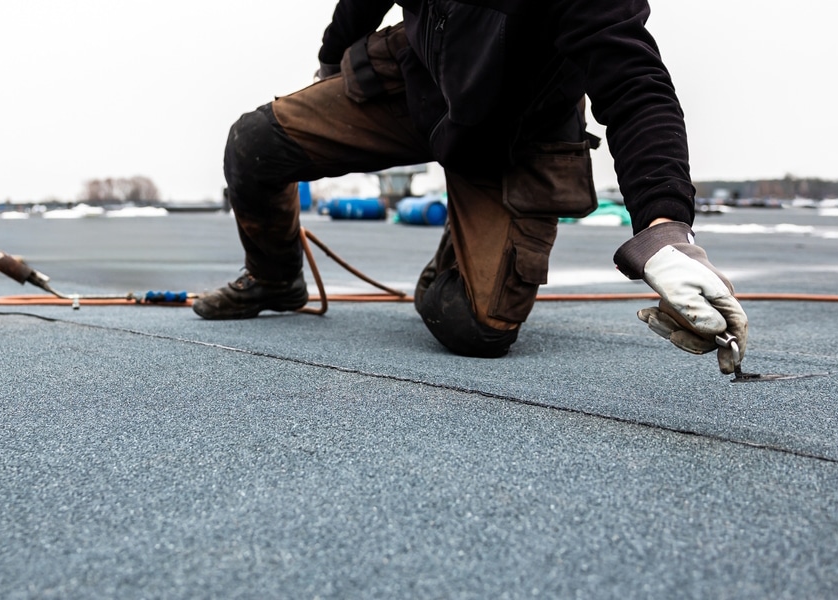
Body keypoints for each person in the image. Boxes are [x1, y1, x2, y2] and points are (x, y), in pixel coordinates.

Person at [193, 0, 749, 373]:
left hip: (514, 133)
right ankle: (274, 281)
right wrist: (329, 62)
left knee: (477, 330)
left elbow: (635, 86)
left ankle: (459, 253)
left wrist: (663, 229)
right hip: (418, 81)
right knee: (253, 144)